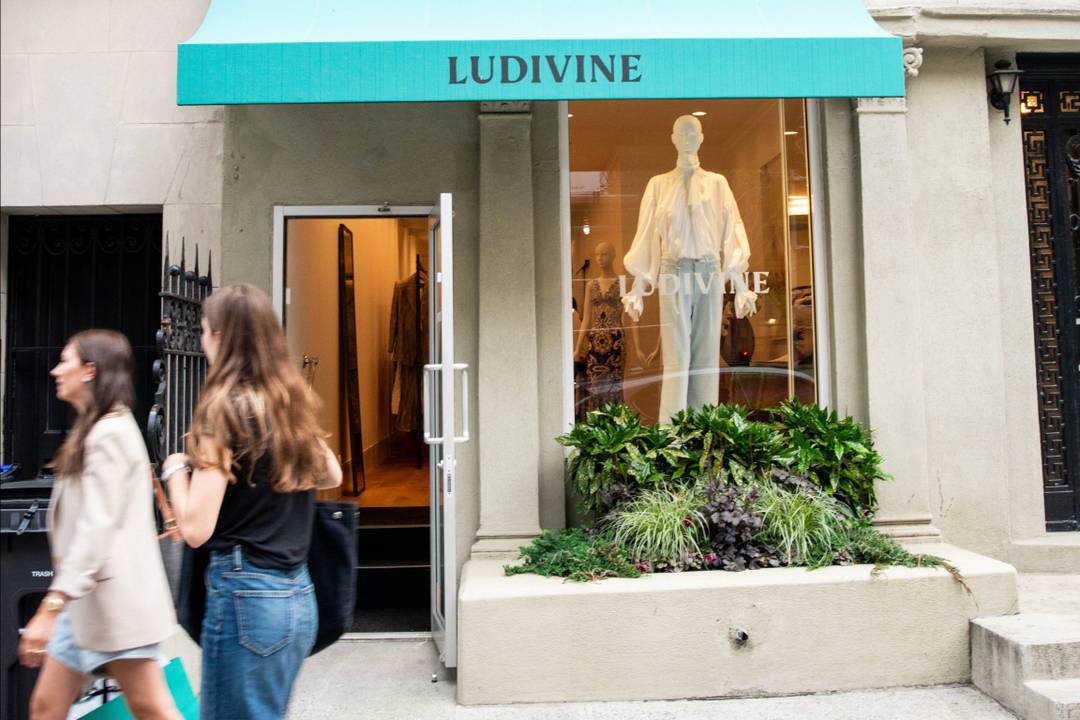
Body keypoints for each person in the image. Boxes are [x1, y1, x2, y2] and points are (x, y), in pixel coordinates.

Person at [161, 283, 342, 718]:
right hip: (297, 594)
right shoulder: (287, 404)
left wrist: (174, 471)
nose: (201, 341)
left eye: (203, 330)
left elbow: (195, 529)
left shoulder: (222, 411)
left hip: (246, 593)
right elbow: (331, 475)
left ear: (220, 337)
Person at [20, 330, 179, 720]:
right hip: (86, 607)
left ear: (89, 370)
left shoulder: (108, 434)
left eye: (65, 361)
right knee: (45, 707)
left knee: (151, 708)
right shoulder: (96, 427)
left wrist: (50, 607)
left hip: (115, 606)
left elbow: (95, 528)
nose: (56, 370)